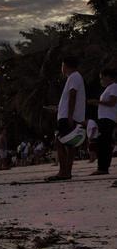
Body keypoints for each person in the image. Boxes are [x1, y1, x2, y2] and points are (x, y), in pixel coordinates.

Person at [46, 52, 86, 182]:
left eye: (62, 65)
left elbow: (73, 96)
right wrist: (58, 109)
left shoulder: (73, 77)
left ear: (66, 66)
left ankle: (63, 171)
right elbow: (71, 98)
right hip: (69, 115)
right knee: (69, 145)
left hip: (68, 117)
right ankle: (67, 171)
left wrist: (69, 116)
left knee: (60, 142)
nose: (61, 68)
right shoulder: (76, 77)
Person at [94, 64, 117, 175]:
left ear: (108, 77)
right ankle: (102, 167)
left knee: (104, 143)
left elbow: (112, 102)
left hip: (108, 119)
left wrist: (96, 102)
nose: (101, 81)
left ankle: (103, 168)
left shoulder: (114, 87)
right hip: (104, 119)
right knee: (102, 143)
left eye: (102, 78)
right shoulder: (108, 88)